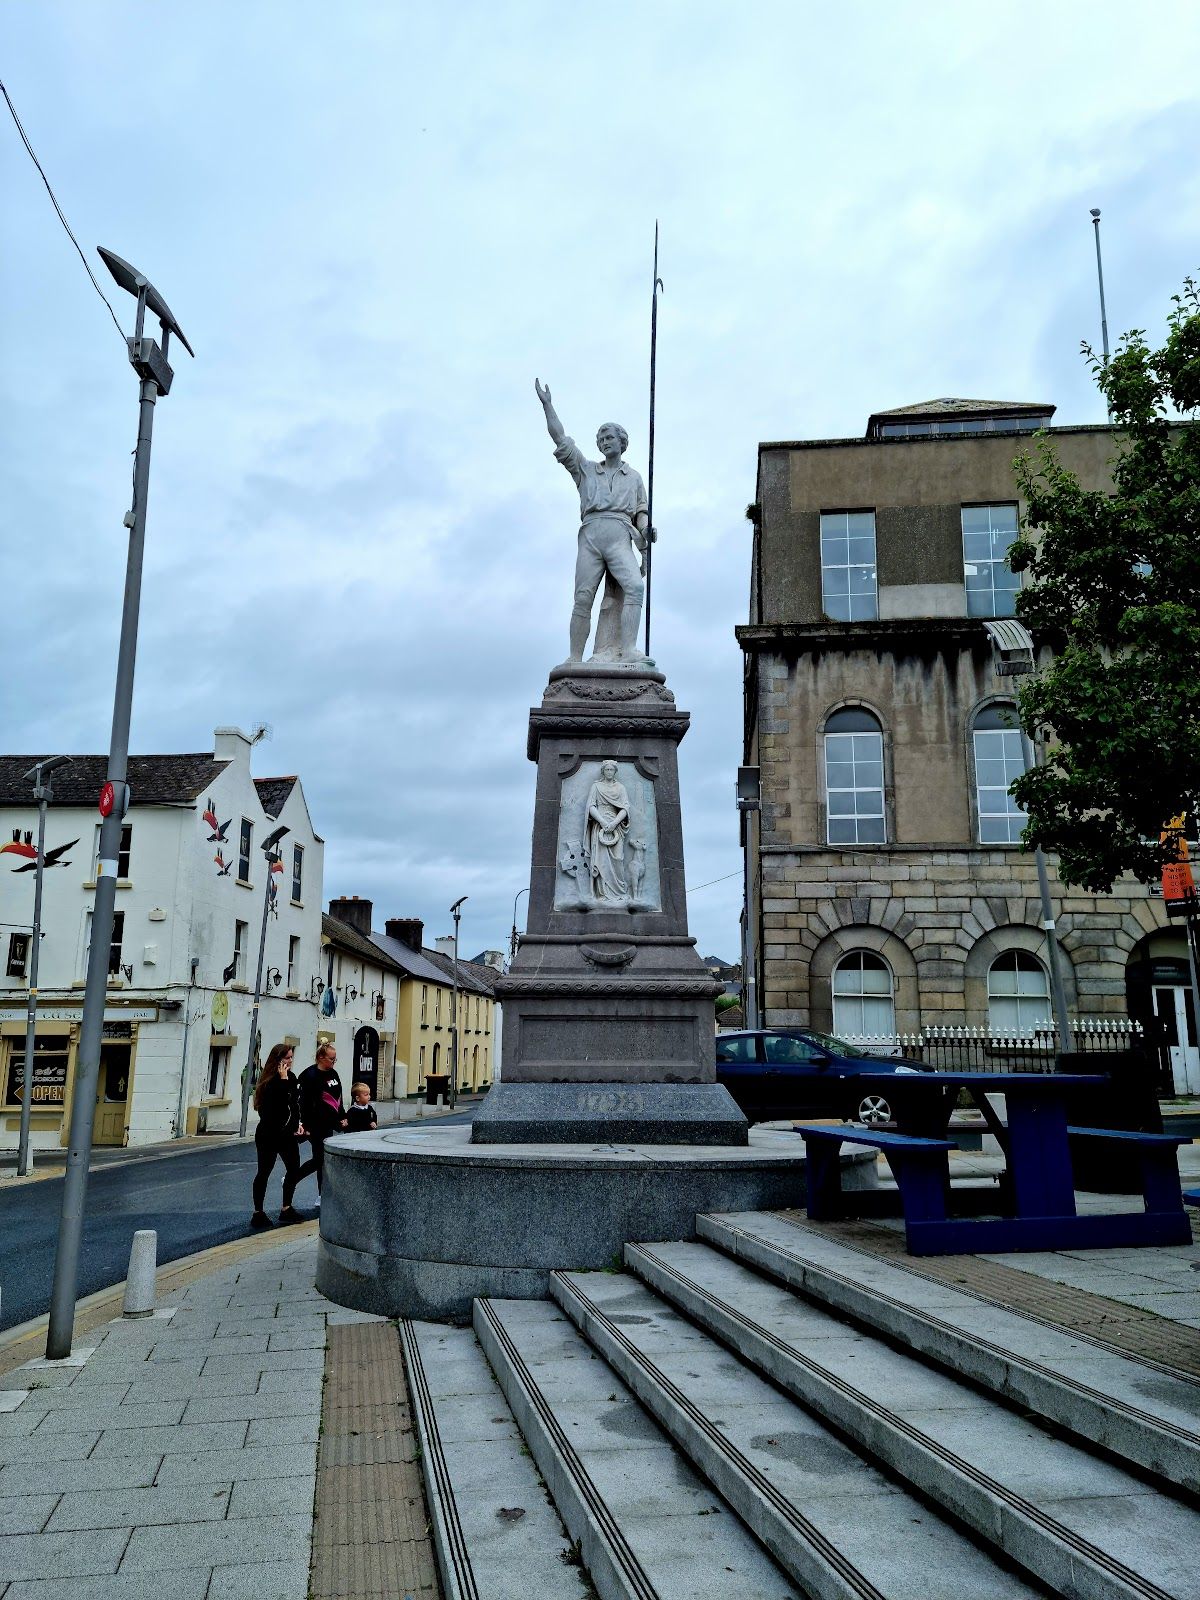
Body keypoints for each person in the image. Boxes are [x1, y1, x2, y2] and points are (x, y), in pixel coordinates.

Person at [535, 379, 652, 663]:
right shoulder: (585, 471)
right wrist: (548, 405)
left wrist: (647, 530)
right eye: (600, 439)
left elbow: (640, 510)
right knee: (583, 597)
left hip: (620, 534)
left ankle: (629, 649)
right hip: (591, 535)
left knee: (635, 588)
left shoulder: (634, 477)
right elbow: (560, 438)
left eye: (609, 437)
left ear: (622, 442)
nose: (604, 442)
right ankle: (574, 658)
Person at [250, 1043, 308, 1228]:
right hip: (269, 1134)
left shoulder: (291, 1078)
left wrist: (299, 1124)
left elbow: (294, 1104)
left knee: (294, 1168)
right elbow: (275, 1109)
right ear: (277, 1060)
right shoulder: (269, 1082)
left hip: (287, 1134)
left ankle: (286, 1208)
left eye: (292, 1057)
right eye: (287, 1058)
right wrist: (283, 1081)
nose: (290, 1061)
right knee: (264, 1171)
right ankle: (258, 1212)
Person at [298, 1040, 347, 1193]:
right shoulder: (309, 1075)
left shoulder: (333, 1073)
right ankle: (292, 1178)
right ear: (320, 1057)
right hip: (314, 1124)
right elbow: (302, 1103)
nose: (334, 1062)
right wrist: (304, 1125)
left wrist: (342, 1116)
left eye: (335, 1059)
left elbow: (338, 1097)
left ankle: (321, 1195)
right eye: (331, 1059)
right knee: (319, 1159)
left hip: (329, 1123)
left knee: (324, 1161)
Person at [585, 760, 631, 901]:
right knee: (601, 859)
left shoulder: (621, 788)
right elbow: (591, 806)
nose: (609, 772)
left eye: (612, 770)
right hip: (600, 825)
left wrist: (614, 823)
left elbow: (625, 808)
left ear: (615, 771)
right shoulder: (596, 787)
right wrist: (603, 822)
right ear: (603, 771)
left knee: (618, 858)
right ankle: (602, 894)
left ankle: (619, 893)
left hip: (615, 826)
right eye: (607, 770)